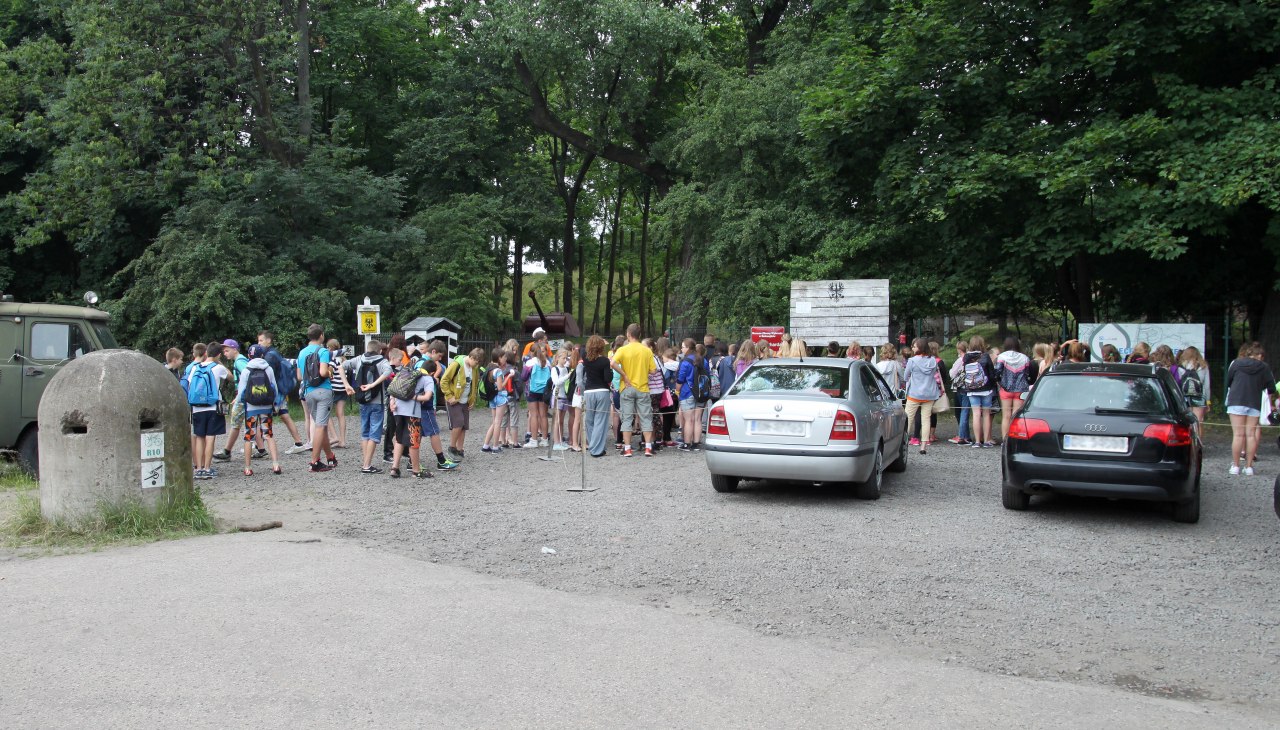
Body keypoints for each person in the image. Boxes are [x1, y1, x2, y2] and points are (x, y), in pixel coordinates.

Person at [1226, 342, 1278, 476]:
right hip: (1254, 402)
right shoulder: (1264, 367)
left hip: (1236, 400)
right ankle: (1249, 467)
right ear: (1259, 355)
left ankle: (1236, 466)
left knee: (1238, 434)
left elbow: (1229, 381)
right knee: (1250, 434)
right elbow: (1271, 387)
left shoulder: (1236, 363)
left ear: (1248, 353)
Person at [256, 331, 306, 454]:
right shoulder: (274, 353)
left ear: (269, 341)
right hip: (281, 391)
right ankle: (298, 442)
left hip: (275, 392)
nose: (259, 343)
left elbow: (268, 375)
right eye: (258, 341)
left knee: (263, 417)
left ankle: (259, 446)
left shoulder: (269, 356)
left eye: (261, 340)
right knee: (284, 415)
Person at [346, 339, 392, 474]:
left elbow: (341, 366)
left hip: (362, 401)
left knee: (365, 433)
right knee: (374, 434)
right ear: (380, 350)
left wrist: (347, 385)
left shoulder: (359, 359)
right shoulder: (382, 361)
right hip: (377, 401)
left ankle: (366, 462)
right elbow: (388, 372)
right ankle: (367, 465)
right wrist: (373, 385)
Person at [297, 324, 336, 473]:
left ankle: (330, 457)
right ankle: (314, 462)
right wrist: (330, 372)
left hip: (308, 392)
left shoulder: (301, 353)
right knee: (320, 426)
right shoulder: (323, 351)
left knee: (321, 425)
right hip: (323, 390)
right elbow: (323, 372)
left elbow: (299, 376)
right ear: (321, 336)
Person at [237, 345, 282, 476]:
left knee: (249, 436)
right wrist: (273, 403)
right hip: (266, 406)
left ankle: (247, 468)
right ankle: (275, 465)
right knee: (268, 434)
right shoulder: (268, 369)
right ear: (262, 355)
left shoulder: (246, 369)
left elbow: (241, 393)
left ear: (249, 356)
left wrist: (242, 402)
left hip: (251, 407)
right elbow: (275, 388)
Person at [614, 323, 657, 457]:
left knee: (626, 418)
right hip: (643, 388)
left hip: (627, 387)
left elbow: (612, 363)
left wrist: (625, 375)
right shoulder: (647, 350)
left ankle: (627, 448)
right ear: (639, 335)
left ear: (628, 334)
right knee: (646, 418)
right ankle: (648, 447)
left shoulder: (623, 350)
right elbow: (654, 370)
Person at [389, 353, 433, 479]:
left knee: (399, 439)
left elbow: (393, 388)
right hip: (412, 412)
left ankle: (394, 468)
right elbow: (427, 397)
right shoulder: (427, 378)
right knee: (414, 441)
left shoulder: (405, 373)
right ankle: (416, 470)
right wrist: (412, 397)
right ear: (431, 372)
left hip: (397, 409)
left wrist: (392, 402)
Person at [189, 342, 230, 479]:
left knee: (199, 437)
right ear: (218, 354)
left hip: (196, 407)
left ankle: (198, 468)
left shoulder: (195, 368)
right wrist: (219, 362)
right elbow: (231, 377)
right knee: (210, 437)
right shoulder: (218, 368)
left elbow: (190, 384)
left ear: (206, 353)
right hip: (212, 407)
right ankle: (207, 468)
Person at [441, 347, 484, 460]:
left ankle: (460, 449)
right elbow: (444, 380)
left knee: (464, 426)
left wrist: (472, 399)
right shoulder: (457, 365)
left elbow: (474, 384)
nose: (476, 364)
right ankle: (452, 447)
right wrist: (449, 396)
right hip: (455, 401)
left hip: (466, 400)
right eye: (476, 361)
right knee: (458, 424)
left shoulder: (474, 368)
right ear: (471, 357)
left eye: (478, 363)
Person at [903, 338, 941, 454]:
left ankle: (903, 442)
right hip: (929, 394)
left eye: (914, 346)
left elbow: (905, 376)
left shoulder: (912, 361)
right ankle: (923, 446)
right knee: (926, 419)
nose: (913, 348)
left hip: (914, 394)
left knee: (907, 419)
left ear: (920, 347)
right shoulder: (933, 361)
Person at [961, 335, 998, 448]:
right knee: (986, 414)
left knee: (976, 414)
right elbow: (992, 375)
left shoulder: (966, 357)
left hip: (972, 389)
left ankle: (977, 441)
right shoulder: (985, 356)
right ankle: (986, 441)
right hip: (986, 389)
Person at [995, 336, 1034, 440]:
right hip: (1020, 389)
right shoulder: (1025, 357)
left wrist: (999, 383)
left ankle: (1005, 440)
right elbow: (1027, 374)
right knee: (1016, 416)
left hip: (1005, 389)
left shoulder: (1002, 357)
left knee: (1006, 415)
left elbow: (997, 372)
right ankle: (1014, 439)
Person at [676, 339, 708, 451]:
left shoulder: (685, 362)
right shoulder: (703, 360)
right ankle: (696, 443)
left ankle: (687, 444)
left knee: (688, 420)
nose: (681, 349)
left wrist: (677, 391)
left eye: (683, 347)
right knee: (698, 419)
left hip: (687, 392)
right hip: (701, 393)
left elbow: (680, 379)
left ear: (688, 348)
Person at [481, 349, 511, 454]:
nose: (505, 359)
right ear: (499, 358)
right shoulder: (497, 371)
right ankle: (495, 447)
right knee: (498, 422)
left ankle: (485, 445)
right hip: (499, 398)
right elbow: (500, 387)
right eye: (504, 357)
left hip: (492, 398)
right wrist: (508, 378)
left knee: (494, 422)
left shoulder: (488, 368)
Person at [524, 346, 552, 447]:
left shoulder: (530, 363)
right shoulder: (547, 363)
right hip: (544, 391)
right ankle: (545, 439)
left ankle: (534, 440)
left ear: (533, 352)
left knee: (534, 415)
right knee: (543, 415)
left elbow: (524, 377)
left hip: (533, 390)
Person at [1177, 345, 1210, 423]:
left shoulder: (1180, 367)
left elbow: (1178, 384)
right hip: (1199, 397)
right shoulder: (1203, 366)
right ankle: (1198, 435)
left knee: (1186, 422)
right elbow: (1207, 386)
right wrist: (1208, 401)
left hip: (1184, 397)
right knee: (1198, 422)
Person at [327, 339, 349, 449]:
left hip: (333, 389)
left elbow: (329, 374)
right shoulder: (344, 360)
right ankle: (343, 440)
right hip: (343, 389)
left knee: (327, 414)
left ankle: (334, 436)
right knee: (341, 414)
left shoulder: (332, 361)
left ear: (330, 348)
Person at [948, 341, 971, 445]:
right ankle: (967, 436)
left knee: (963, 412)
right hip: (970, 387)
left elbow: (952, 374)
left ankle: (962, 436)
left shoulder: (960, 360)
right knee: (966, 411)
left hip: (961, 387)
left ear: (959, 349)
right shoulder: (972, 359)